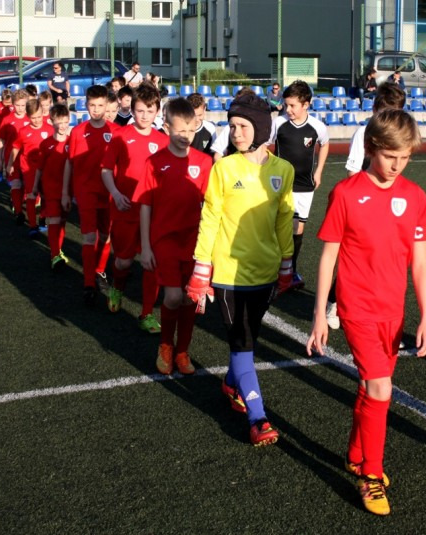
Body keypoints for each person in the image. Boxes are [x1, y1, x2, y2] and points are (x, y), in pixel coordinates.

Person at [306, 108, 426, 516]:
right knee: (380, 389)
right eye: (390, 156)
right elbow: (328, 257)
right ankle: (371, 476)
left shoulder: (416, 197)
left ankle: (356, 454)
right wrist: (319, 315)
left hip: (393, 310)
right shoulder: (346, 193)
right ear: (371, 147)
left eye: (405, 157)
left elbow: (420, 262)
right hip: (356, 307)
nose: (397, 165)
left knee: (370, 386)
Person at [185, 92, 295, 446]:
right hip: (229, 274)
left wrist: (287, 263)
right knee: (243, 343)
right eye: (232, 126)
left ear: (261, 128)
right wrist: (202, 266)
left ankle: (232, 383)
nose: (236, 133)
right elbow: (210, 218)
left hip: (265, 272)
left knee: (247, 338)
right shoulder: (223, 168)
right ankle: (258, 418)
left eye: (243, 126)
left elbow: (284, 220)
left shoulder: (283, 171)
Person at [136, 97, 211, 377]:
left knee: (189, 299)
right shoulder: (154, 162)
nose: (186, 136)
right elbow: (145, 205)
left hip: (194, 242)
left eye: (191, 130)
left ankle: (183, 351)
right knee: (173, 296)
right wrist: (146, 247)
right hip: (164, 240)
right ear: (166, 128)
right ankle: (166, 346)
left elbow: (211, 207)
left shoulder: (204, 162)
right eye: (180, 130)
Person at [327, 83, 407, 329]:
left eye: (395, 112)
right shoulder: (363, 133)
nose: (389, 118)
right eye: (385, 112)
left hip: (390, 204)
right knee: (355, 259)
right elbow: (353, 170)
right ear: (374, 110)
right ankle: (333, 303)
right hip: (364, 204)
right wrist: (360, 205)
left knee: (385, 261)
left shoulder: (401, 134)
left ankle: (378, 312)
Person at [101, 84, 169, 332]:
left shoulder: (163, 141)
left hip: (153, 214)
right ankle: (117, 287)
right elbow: (106, 170)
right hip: (126, 209)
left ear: (157, 111)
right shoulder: (120, 136)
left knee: (152, 263)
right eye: (140, 110)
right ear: (132, 110)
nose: (144, 116)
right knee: (123, 262)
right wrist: (116, 194)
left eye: (149, 111)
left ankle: (147, 313)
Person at [63, 85, 120, 307]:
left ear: (107, 106)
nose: (96, 109)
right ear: (86, 105)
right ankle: (88, 283)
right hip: (85, 191)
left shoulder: (116, 132)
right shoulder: (77, 132)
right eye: (92, 105)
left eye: (100, 105)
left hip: (109, 192)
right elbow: (70, 163)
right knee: (89, 237)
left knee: (106, 236)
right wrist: (66, 192)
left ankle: (99, 270)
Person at [272, 80, 329, 291]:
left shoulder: (317, 126)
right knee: (276, 226)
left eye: (292, 105)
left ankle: (291, 270)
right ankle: (274, 268)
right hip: (279, 184)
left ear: (306, 104)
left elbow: (325, 144)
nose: (288, 109)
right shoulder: (278, 123)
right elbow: (266, 146)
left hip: (304, 184)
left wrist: (319, 171)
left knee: (297, 228)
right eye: (286, 105)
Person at [32, 103, 72, 270]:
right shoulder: (46, 144)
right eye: (59, 122)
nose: (62, 126)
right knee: (54, 219)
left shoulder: (73, 142)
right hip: (51, 188)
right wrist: (35, 187)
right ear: (51, 121)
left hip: (68, 189)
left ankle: (58, 250)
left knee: (62, 220)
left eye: (65, 122)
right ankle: (54, 255)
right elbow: (39, 168)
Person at [9, 98, 55, 237]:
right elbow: (15, 148)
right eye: (33, 118)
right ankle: (33, 226)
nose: (37, 120)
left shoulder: (50, 129)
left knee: (46, 195)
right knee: (31, 195)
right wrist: (10, 164)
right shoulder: (23, 131)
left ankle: (42, 218)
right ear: (28, 116)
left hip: (46, 169)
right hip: (29, 169)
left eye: (39, 117)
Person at [0, 89, 31, 225]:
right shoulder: (7, 120)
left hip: (28, 158)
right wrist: (0, 158)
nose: (20, 108)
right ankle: (18, 212)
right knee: (16, 183)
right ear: (13, 104)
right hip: (11, 158)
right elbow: (2, 140)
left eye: (23, 105)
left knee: (27, 185)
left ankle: (27, 207)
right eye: (18, 105)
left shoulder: (31, 118)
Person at [186, 92, 217, 157]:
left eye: (200, 115)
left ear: (204, 109)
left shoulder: (210, 128)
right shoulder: (181, 128)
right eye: (193, 115)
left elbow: (214, 153)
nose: (197, 119)